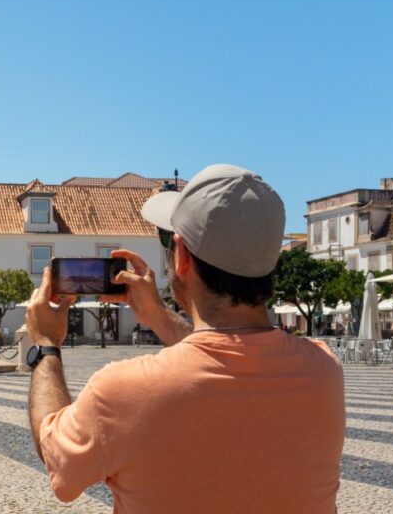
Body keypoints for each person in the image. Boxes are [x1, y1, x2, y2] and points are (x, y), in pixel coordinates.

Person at [26, 164, 343, 513]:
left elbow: (56, 456)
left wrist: (45, 346)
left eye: (167, 238)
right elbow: (222, 357)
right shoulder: (323, 371)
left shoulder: (122, 391)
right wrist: (158, 316)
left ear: (182, 256)